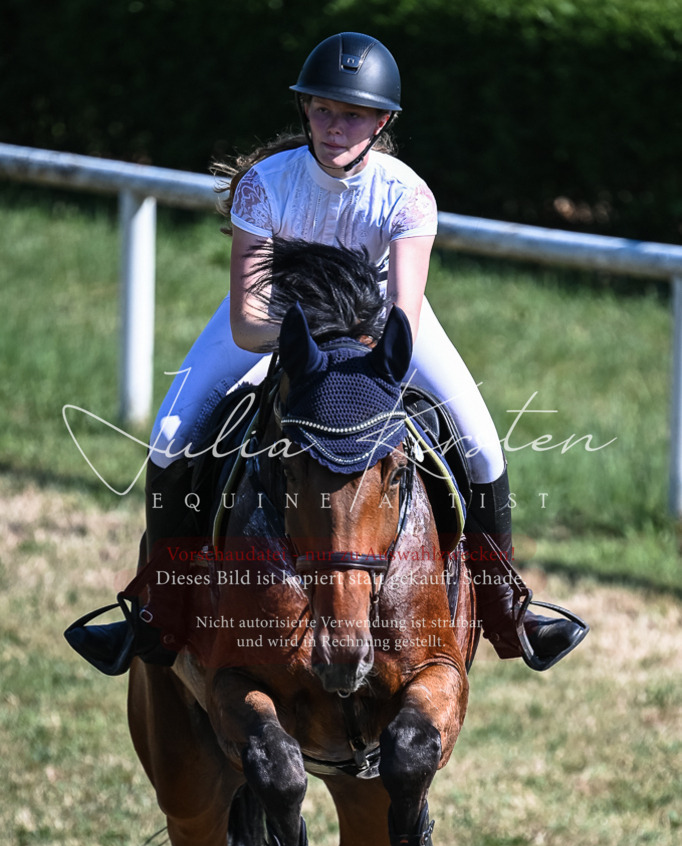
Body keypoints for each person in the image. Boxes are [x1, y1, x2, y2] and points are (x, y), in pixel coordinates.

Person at [66, 31, 588, 674]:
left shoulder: (407, 195)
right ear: (304, 109)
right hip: (275, 324)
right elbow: (249, 321)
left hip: (378, 330)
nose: (333, 125)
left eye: (352, 114)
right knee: (171, 437)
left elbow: (403, 315)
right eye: (321, 109)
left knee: (482, 442)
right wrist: (304, 345)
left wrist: (348, 350)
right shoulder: (265, 184)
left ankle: (509, 607)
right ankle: (157, 606)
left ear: (382, 121)